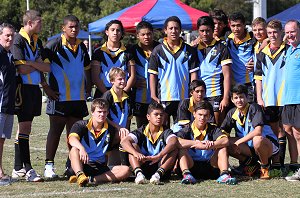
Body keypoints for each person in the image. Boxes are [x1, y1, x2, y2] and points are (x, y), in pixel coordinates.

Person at [42, 15, 91, 178]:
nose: (74, 29)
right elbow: (41, 66)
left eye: (76, 26)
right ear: (63, 28)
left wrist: (89, 87)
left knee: (74, 134)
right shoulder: (53, 45)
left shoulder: (82, 47)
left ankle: (72, 166)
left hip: (78, 98)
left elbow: (87, 68)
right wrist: (46, 87)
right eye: (70, 27)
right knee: (55, 131)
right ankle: (49, 166)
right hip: (59, 97)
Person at [11, 10, 50, 182]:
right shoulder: (18, 39)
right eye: (39, 22)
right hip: (22, 88)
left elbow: (47, 68)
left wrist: (32, 64)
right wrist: (37, 65)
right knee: (24, 128)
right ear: (29, 23)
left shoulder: (37, 40)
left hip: (34, 89)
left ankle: (17, 168)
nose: (41, 25)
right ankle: (28, 169)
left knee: (24, 128)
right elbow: (21, 69)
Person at [221, 84, 280, 179]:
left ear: (247, 97)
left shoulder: (254, 108)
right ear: (232, 100)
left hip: (267, 145)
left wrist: (239, 142)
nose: (239, 100)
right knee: (225, 142)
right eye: (236, 98)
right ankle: (252, 165)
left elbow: (258, 132)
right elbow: (222, 133)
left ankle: (265, 168)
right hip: (250, 146)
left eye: (241, 97)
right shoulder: (232, 113)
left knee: (257, 140)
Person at [148, 16, 199, 127]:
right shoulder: (158, 50)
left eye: (176, 28)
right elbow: (152, 74)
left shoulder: (189, 50)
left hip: (184, 97)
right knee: (163, 129)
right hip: (164, 97)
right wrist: (153, 94)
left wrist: (193, 93)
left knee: (183, 130)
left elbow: (193, 74)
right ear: (165, 30)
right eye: (170, 28)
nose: (173, 31)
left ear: (180, 30)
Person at [68, 98, 131, 187]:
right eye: (99, 112)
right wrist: (82, 148)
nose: (102, 114)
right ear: (92, 112)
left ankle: (91, 179)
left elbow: (111, 149)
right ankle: (80, 174)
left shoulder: (111, 130)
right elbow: (72, 139)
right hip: (82, 162)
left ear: (107, 113)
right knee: (74, 149)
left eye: (104, 112)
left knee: (126, 170)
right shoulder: (80, 125)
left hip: (99, 166)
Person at [254, 19, 288, 170]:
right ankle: (277, 163)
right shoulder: (262, 53)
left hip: (286, 97)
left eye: (275, 32)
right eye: (270, 33)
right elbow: (258, 78)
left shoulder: (288, 50)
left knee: (288, 131)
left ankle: (287, 163)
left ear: (281, 33)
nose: (273, 35)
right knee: (276, 129)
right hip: (268, 98)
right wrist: (260, 97)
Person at [177, 101, 237, 185]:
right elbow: (177, 141)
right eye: (200, 115)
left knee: (222, 147)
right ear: (194, 114)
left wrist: (212, 144)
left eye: (205, 115)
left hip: (211, 166)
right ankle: (186, 175)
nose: (202, 118)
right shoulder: (187, 129)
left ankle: (224, 175)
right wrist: (196, 143)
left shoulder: (213, 129)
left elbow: (225, 140)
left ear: (209, 116)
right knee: (181, 149)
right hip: (192, 166)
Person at [121, 102, 178, 185]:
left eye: (161, 115)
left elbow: (173, 142)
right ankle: (139, 174)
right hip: (143, 163)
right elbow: (124, 142)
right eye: (156, 114)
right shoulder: (141, 130)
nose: (159, 117)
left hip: (160, 165)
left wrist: (159, 156)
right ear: (148, 117)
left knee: (174, 149)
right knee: (132, 146)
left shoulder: (166, 131)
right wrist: (136, 153)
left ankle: (157, 175)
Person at [195, 16, 231, 126]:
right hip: (200, 94)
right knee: (201, 126)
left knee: (217, 127)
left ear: (213, 30)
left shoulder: (222, 48)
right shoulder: (194, 48)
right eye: (202, 31)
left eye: (208, 31)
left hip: (216, 93)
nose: (205, 34)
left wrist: (225, 98)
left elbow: (227, 75)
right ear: (198, 31)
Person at [91, 20, 135, 98]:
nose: (115, 33)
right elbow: (95, 77)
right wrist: (108, 95)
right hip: (103, 94)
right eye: (112, 30)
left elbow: (132, 76)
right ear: (107, 32)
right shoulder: (98, 52)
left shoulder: (128, 52)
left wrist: (123, 92)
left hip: (123, 94)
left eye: (118, 30)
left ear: (121, 33)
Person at [130, 21, 160, 128]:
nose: (146, 37)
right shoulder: (131, 50)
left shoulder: (160, 48)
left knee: (159, 123)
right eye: (143, 34)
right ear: (137, 35)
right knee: (141, 125)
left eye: (149, 34)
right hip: (139, 95)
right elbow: (125, 70)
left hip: (158, 94)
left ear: (153, 34)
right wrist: (133, 82)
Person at [282, 20, 300, 181]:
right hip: (288, 99)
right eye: (287, 32)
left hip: (298, 99)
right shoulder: (289, 50)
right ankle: (296, 165)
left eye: (292, 32)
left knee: (299, 134)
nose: (289, 35)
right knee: (289, 131)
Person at [227, 12, 256, 103]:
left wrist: (256, 64)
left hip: (249, 85)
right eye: (233, 26)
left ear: (244, 25)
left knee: (249, 113)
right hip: (233, 84)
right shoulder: (227, 38)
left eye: (239, 25)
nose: (236, 29)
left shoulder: (253, 39)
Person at [0, 23, 16, 186]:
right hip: (0, 103)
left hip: (8, 103)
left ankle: (0, 171)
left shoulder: (8, 54)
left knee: (2, 139)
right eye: (7, 35)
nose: (10, 38)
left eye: (12, 35)